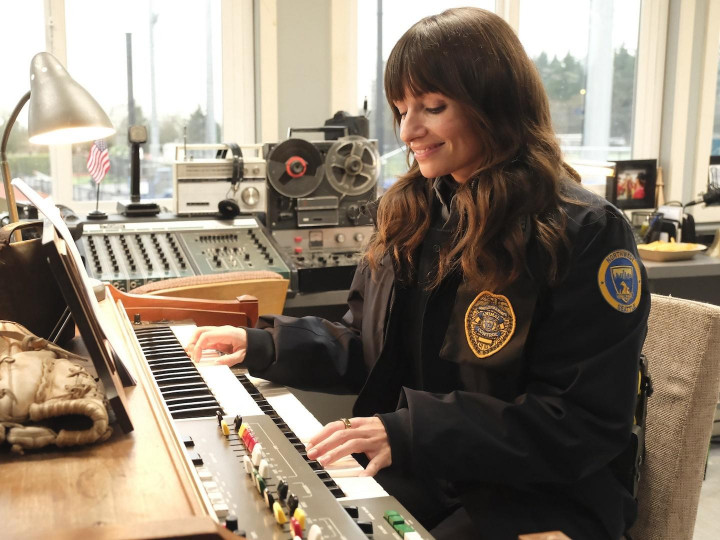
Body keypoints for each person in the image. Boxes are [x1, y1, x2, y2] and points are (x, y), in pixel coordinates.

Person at [188, 7, 649, 539]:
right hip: (434, 470)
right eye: (402, 109)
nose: (408, 130)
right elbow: (369, 346)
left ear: (495, 105)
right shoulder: (413, 212)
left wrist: (409, 431)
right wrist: (264, 343)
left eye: (432, 107)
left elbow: (582, 421)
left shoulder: (586, 232)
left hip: (540, 498)